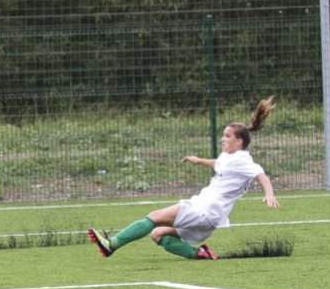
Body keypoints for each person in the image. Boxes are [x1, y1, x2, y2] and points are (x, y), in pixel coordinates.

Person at [88, 97, 279, 261]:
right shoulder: (229, 157)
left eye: (227, 136)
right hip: (210, 216)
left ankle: (111, 244)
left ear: (239, 142)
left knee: (154, 217)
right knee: (158, 235)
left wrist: (269, 194)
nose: (222, 139)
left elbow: (260, 173)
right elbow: (219, 164)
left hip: (204, 210)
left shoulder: (242, 159)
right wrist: (199, 161)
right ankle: (200, 255)